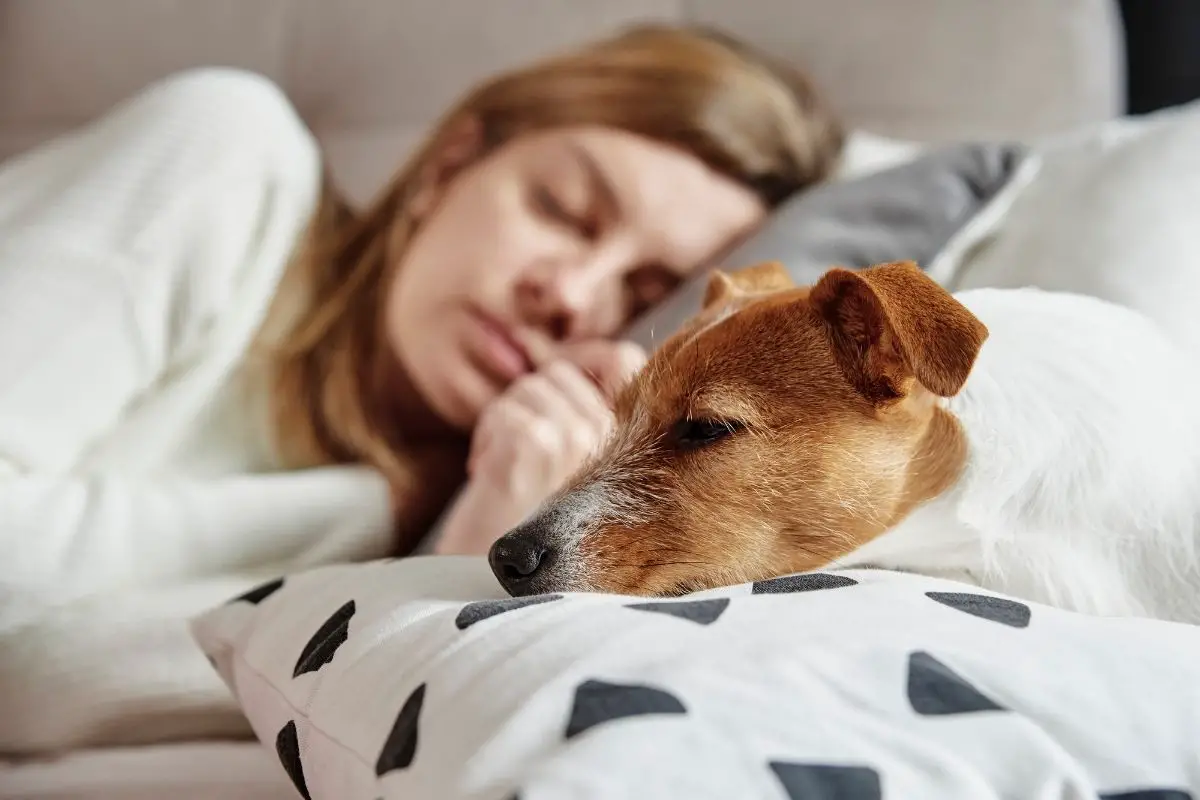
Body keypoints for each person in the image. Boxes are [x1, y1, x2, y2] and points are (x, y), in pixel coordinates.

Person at [0, 24, 843, 752]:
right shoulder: (229, 157)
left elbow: (46, 686)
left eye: (641, 290)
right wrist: (390, 507)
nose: (574, 294)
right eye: (562, 206)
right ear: (450, 164)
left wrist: (454, 558)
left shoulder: (501, 508)